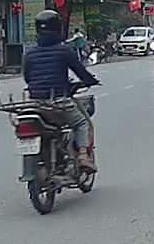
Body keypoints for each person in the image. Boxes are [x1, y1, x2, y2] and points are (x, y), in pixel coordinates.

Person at [23, 10, 100, 171]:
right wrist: (91, 81)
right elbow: (80, 72)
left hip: (35, 104)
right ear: (58, 28)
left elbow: (28, 78)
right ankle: (83, 156)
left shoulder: (30, 54)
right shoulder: (63, 50)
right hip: (58, 102)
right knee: (82, 123)